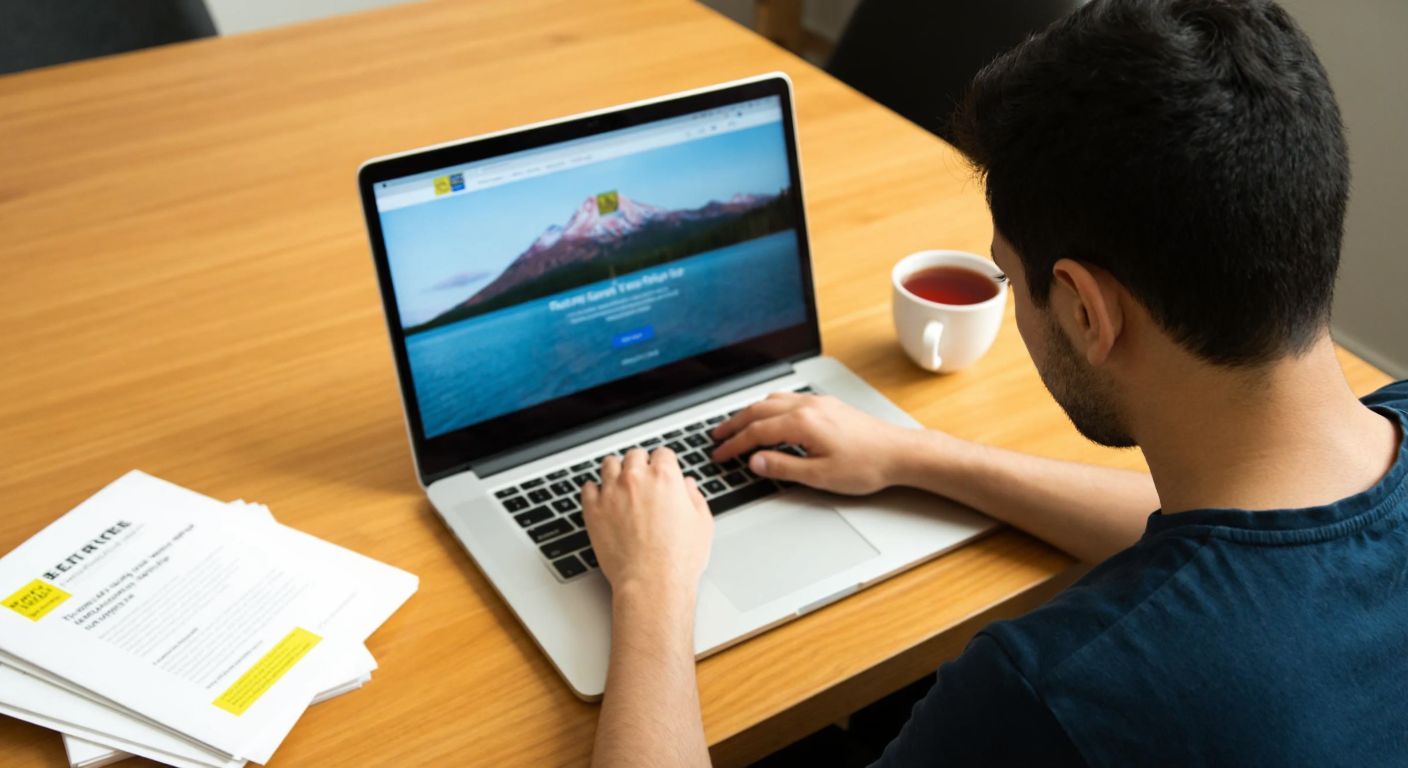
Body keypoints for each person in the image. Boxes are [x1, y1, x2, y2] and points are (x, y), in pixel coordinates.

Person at [580, 0, 1408, 764]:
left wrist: (652, 585)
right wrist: (919, 456)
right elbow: (1236, 541)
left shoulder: (1054, 693)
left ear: (1086, 310)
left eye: (1012, 280)